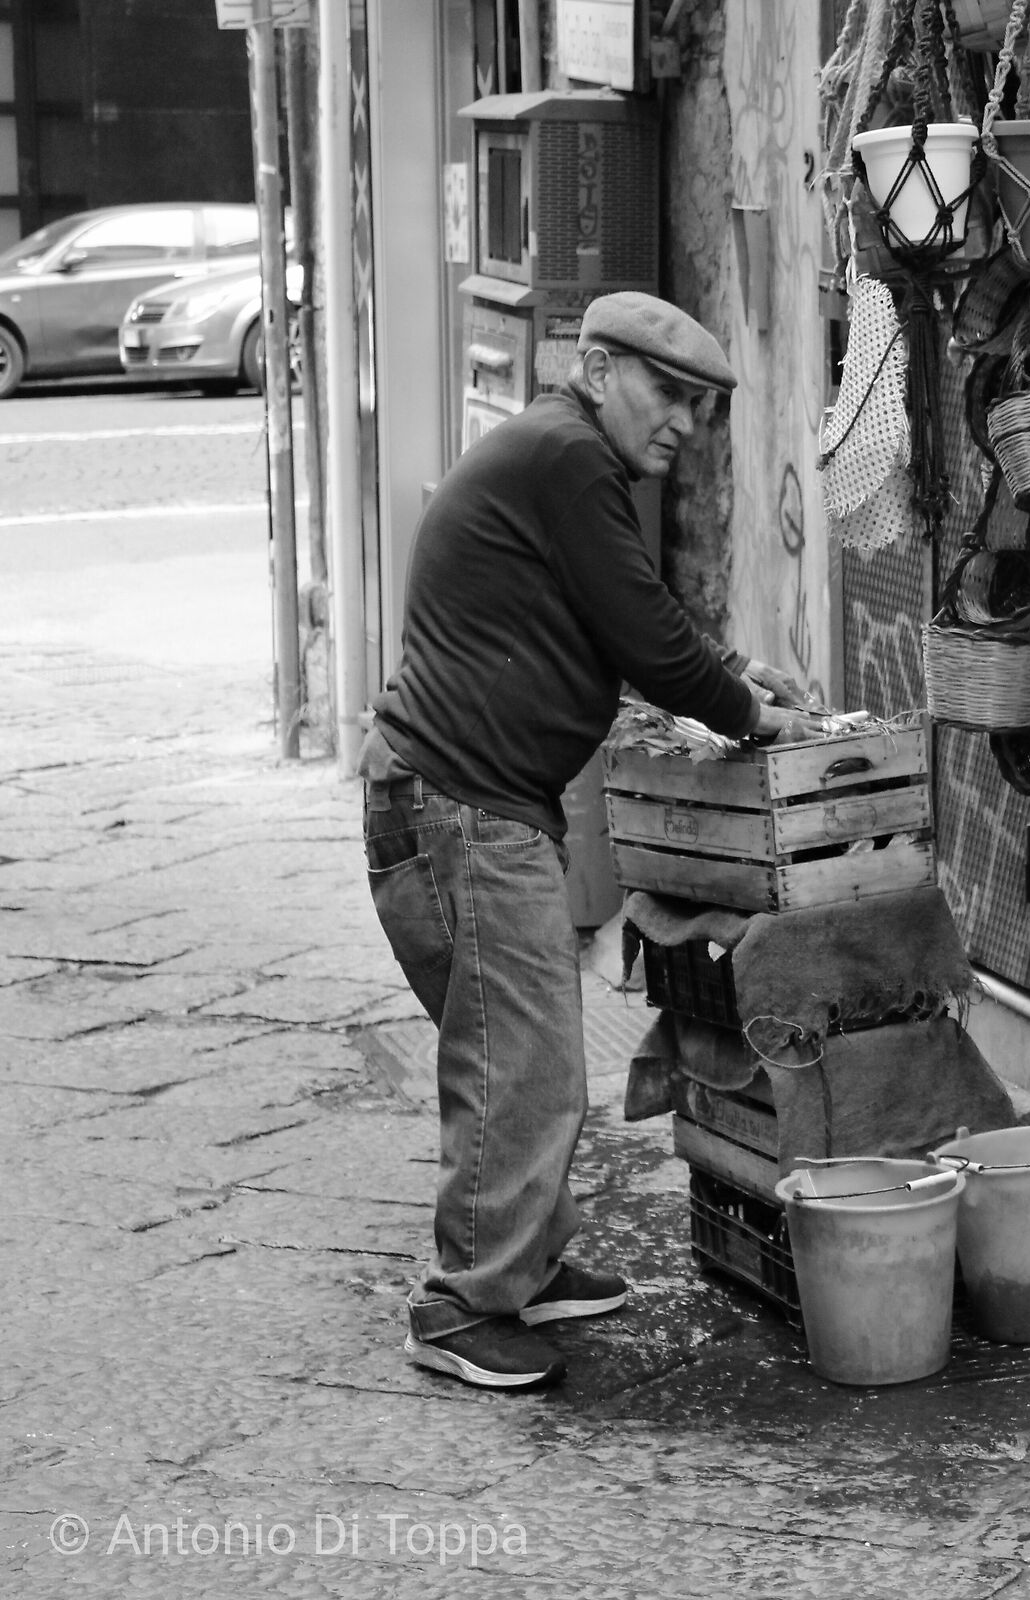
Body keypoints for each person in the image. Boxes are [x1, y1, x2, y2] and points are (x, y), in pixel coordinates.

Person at [359, 292, 807, 1390]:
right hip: (461, 808)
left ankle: (531, 1261)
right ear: (599, 370)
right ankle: (464, 1306)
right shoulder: (568, 459)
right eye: (669, 395)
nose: (684, 426)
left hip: (447, 805)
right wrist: (750, 712)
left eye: (701, 408)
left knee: (521, 1046)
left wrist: (730, 676)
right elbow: (648, 636)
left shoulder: (557, 458)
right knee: (526, 1063)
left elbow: (622, 617)